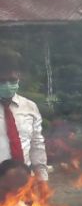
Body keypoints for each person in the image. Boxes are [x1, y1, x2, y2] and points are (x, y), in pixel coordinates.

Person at [0, 48, 48, 181]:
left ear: (19, 77)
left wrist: (42, 179)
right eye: (2, 81)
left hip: (25, 184)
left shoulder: (30, 107)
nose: (7, 85)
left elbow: (37, 145)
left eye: (12, 80)